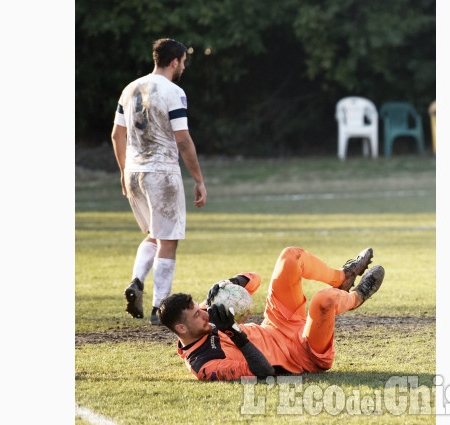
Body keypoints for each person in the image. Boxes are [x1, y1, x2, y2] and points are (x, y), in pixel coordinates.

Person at [157, 246, 385, 381]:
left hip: (277, 324)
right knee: (323, 300)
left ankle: (342, 278)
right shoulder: (204, 365)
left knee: (290, 256)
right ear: (181, 328)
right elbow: (264, 371)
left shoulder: (207, 314)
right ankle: (356, 297)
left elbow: (255, 279)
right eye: (197, 314)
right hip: (304, 354)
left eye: (200, 308)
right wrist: (233, 331)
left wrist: (231, 282)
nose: (204, 313)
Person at [111, 38, 207, 325]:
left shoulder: (129, 89)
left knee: (154, 234)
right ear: (175, 61)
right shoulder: (173, 91)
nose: (183, 68)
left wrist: (123, 171)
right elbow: (183, 140)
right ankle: (159, 308)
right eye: (183, 63)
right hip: (162, 171)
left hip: (134, 171)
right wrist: (199, 179)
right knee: (169, 239)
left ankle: (137, 280)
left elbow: (117, 135)